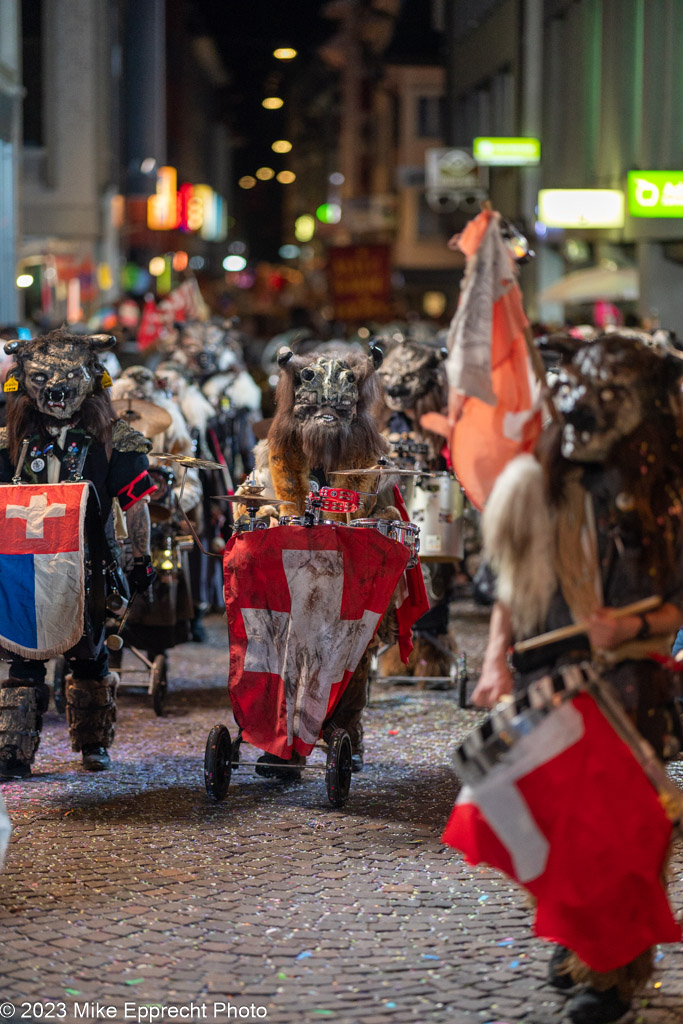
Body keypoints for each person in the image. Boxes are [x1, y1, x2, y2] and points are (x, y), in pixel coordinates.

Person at [472, 331, 683, 1024]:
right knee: (551, 818)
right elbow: (508, 584)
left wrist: (630, 628)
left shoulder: (668, 491)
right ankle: (576, 940)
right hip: (550, 671)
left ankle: (613, 969)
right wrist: (493, 656)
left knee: (624, 826)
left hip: (630, 678)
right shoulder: (538, 481)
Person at [235, 343, 403, 776]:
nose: (326, 421)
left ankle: (345, 733)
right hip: (290, 581)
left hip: (346, 582)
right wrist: (264, 514)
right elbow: (248, 503)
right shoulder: (272, 458)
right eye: (315, 412)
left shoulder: (371, 459)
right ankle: (279, 741)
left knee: (350, 655)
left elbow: (388, 513)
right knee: (280, 652)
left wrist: (380, 519)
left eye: (337, 412)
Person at [0, 329, 155, 777]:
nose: (55, 388)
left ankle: (92, 744)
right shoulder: (9, 440)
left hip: (90, 565)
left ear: (92, 378)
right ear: (24, 381)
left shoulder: (116, 439)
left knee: (88, 655)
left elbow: (136, 504)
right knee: (24, 656)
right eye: (44, 377)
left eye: (68, 377)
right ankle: (13, 750)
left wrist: (140, 559)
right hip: (25, 568)